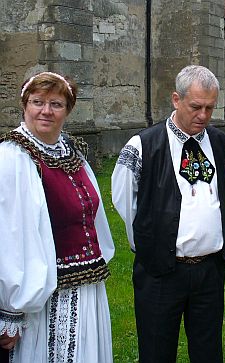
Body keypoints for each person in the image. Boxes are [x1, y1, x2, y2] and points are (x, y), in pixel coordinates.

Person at [111, 65, 225, 363]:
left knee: (208, 352)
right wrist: (150, 247)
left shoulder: (218, 142)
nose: (203, 116)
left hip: (210, 271)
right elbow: (124, 200)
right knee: (156, 352)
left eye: (209, 108)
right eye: (196, 107)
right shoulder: (142, 145)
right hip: (161, 271)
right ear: (176, 100)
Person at [0, 72, 115, 363]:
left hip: (86, 285)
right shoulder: (13, 158)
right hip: (44, 296)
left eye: (56, 104)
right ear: (25, 106)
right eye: (37, 102)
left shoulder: (71, 151)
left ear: (68, 110)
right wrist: (11, 309)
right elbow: (9, 234)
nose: (46, 111)